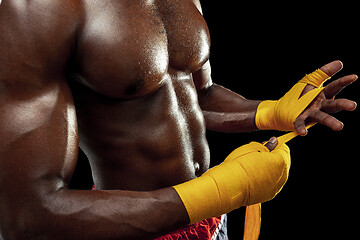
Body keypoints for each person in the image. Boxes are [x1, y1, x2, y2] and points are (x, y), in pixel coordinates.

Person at [0, 0, 357, 239]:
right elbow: (27, 215)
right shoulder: (36, 11)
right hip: (134, 231)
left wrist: (269, 111)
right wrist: (221, 191)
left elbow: (199, 96)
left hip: (214, 222)